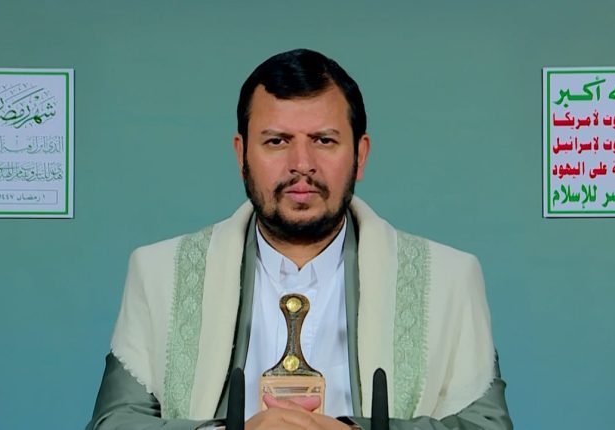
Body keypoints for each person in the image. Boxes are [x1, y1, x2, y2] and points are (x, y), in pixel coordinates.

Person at [87, 48, 512, 430]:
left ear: (360, 155)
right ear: (241, 155)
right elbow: (114, 423)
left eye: (324, 141)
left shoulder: (448, 279)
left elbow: (486, 426)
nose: (301, 164)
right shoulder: (161, 273)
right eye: (277, 141)